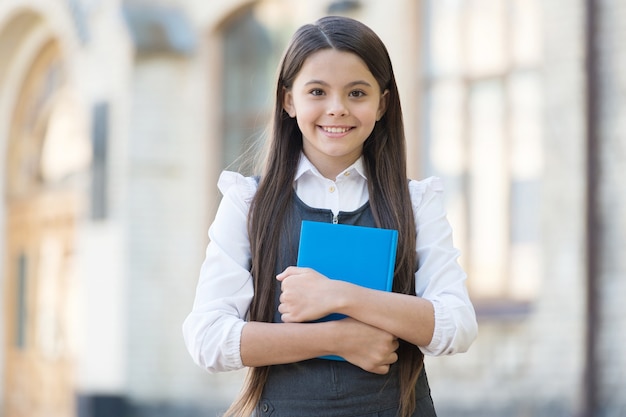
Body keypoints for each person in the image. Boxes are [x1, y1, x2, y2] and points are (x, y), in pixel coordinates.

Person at [183, 15, 477, 417]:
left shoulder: (416, 203)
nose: (337, 109)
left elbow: (456, 326)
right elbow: (208, 339)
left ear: (382, 103)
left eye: (357, 93)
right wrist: (336, 338)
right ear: (289, 100)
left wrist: (340, 295)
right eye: (317, 91)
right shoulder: (247, 202)